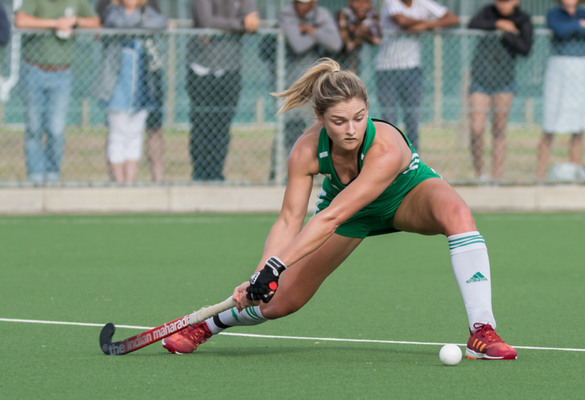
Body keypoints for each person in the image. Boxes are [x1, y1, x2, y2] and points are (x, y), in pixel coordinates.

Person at [161, 58, 517, 361]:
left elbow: (331, 216)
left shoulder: (385, 148)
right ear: (319, 117)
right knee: (280, 302)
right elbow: (288, 220)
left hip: (406, 194)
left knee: (458, 213)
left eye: (359, 118)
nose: (351, 130)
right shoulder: (304, 151)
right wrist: (262, 276)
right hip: (350, 213)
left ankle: (481, 331)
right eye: (339, 121)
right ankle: (209, 324)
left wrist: (274, 267)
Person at [15, 0, 101, 184]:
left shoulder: (76, 2)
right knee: (33, 126)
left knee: (56, 128)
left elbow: (96, 23)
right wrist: (55, 23)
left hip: (61, 74)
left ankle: (52, 175)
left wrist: (75, 21)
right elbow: (21, 20)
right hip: (33, 70)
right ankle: (35, 176)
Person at [93, 0, 166, 183]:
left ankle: (129, 179)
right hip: (118, 85)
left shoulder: (149, 12)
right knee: (118, 133)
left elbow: (160, 23)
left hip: (142, 85)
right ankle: (118, 179)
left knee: (135, 134)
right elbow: (117, 23)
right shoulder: (113, 11)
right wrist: (139, 25)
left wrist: (137, 25)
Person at [188, 0, 260, 181]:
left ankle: (216, 172)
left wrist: (244, 25)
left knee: (222, 124)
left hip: (230, 67)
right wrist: (240, 25)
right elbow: (206, 21)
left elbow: (252, 21)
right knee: (202, 123)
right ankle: (200, 174)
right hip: (202, 68)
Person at [375, 0, 459, 152]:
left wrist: (425, 26)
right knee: (389, 121)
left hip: (412, 69)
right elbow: (402, 21)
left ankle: (413, 161)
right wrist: (428, 22)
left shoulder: (423, 3)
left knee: (412, 120)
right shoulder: (390, 2)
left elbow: (453, 19)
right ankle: (389, 159)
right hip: (387, 69)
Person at [272, 0, 343, 180]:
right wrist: (319, 36)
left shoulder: (322, 14)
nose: (300, 6)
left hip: (316, 86)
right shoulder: (287, 14)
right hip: (291, 84)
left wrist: (311, 31)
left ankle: (319, 171)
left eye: (305, 2)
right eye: (298, 2)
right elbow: (298, 45)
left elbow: (335, 43)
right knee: (289, 129)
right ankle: (282, 172)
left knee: (318, 128)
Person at [537, 0, 585, 181]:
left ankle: (575, 171)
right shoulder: (553, 14)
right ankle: (539, 176)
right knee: (550, 124)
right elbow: (560, 30)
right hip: (559, 69)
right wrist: (579, 26)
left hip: (580, 70)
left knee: (578, 126)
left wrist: (576, 27)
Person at [467, 0, 532, 182]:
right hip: (480, 79)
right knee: (477, 128)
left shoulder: (522, 19)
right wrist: (497, 24)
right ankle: (480, 174)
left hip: (504, 82)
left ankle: (497, 177)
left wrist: (508, 33)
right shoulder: (488, 12)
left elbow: (525, 48)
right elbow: (472, 24)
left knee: (499, 129)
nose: (502, 4)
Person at [336, 0, 382, 72]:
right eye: (357, 2)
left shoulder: (374, 15)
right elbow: (349, 45)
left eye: (365, 2)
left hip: (367, 63)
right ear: (350, 3)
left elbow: (378, 40)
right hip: (342, 58)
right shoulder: (344, 14)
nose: (361, 5)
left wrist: (361, 33)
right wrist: (359, 32)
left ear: (370, 5)